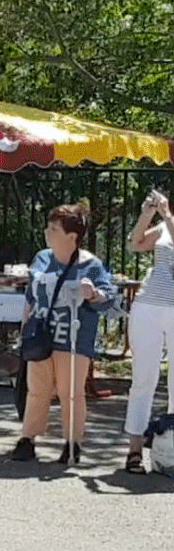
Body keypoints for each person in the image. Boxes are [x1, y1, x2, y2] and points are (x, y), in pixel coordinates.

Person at [11, 203, 116, 465]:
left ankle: (73, 442)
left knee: (72, 391)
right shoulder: (42, 258)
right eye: (49, 226)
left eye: (54, 228)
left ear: (72, 237)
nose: (48, 231)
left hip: (74, 339)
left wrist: (93, 293)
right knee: (37, 389)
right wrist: (23, 331)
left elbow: (108, 299)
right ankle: (28, 438)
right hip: (41, 336)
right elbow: (31, 298)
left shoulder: (90, 265)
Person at [123, 190, 174, 473]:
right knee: (143, 380)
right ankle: (134, 450)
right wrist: (147, 215)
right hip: (149, 306)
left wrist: (166, 216)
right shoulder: (165, 226)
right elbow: (135, 244)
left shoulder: (170, 222)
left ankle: (169, 450)